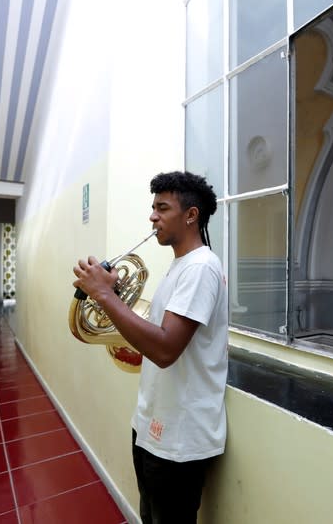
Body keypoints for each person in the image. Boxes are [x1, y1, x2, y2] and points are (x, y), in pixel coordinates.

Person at [72, 171, 228, 523]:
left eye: (162, 208)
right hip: (153, 423)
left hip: (180, 437)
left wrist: (103, 294)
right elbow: (157, 339)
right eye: (152, 207)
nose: (152, 217)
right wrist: (112, 300)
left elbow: (165, 349)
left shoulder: (201, 267)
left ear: (191, 215)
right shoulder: (181, 266)